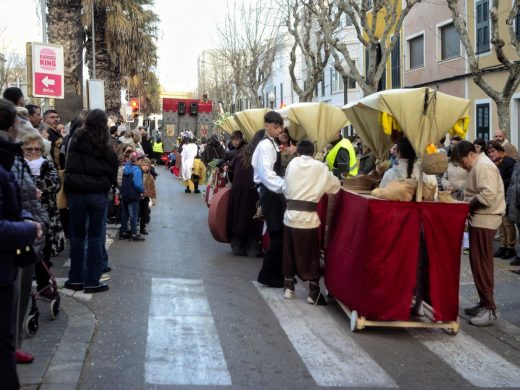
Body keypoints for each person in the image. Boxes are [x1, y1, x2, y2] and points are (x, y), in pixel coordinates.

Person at [0, 98, 41, 390]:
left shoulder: (10, 160)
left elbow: (19, 200)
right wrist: (26, 228)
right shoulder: (7, 161)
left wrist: (28, 218)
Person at [63, 109, 118, 293]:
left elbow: (68, 165)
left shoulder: (75, 141)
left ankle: (75, 279)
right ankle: (92, 280)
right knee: (95, 238)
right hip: (96, 194)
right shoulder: (105, 146)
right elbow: (112, 170)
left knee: (77, 237)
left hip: (77, 193)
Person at [452, 140, 505, 326]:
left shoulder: (483, 166)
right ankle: (484, 303)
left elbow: (487, 195)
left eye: (461, 162)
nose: (462, 166)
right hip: (481, 218)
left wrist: (467, 206)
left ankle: (489, 308)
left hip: (486, 219)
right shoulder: (479, 165)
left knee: (481, 263)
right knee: (478, 262)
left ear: (470, 155)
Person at [282, 140, 341, 305]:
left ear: (298, 152)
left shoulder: (292, 164)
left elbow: (285, 188)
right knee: (310, 255)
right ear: (313, 153)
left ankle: (288, 288)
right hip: (308, 219)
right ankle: (313, 293)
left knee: (289, 252)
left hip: (290, 216)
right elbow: (335, 187)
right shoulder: (320, 167)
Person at [21, 133, 64, 295]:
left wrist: (34, 186)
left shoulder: (47, 163)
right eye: (29, 149)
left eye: (37, 149)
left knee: (43, 252)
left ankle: (43, 286)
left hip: (47, 214)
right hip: (24, 214)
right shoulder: (19, 164)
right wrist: (34, 188)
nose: (33, 152)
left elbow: (55, 183)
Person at [252, 112, 286, 287]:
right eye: (276, 126)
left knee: (279, 234)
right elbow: (266, 175)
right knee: (277, 235)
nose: (279, 129)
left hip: (273, 191)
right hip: (270, 192)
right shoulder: (266, 145)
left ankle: (276, 274)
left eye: (280, 126)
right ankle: (267, 275)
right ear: (266, 124)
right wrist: (285, 187)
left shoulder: (272, 144)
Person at [227, 130, 263, 257]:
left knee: (238, 217)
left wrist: (235, 183)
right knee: (254, 220)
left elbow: (230, 170)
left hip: (238, 191)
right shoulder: (263, 154)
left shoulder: (242, 152)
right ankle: (252, 249)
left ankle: (237, 247)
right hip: (254, 192)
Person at [486, 141, 517, 259]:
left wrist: (497, 183)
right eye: (489, 152)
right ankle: (503, 245)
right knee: (501, 223)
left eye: (493, 151)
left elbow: (511, 180)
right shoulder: (494, 164)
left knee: (508, 224)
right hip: (498, 197)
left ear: (500, 151)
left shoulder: (509, 162)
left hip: (507, 197)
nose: (491, 154)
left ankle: (510, 247)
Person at [120, 152, 146, 241]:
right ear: (135, 161)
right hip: (134, 195)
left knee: (125, 214)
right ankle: (133, 234)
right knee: (134, 215)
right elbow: (138, 185)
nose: (142, 162)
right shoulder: (137, 170)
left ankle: (123, 232)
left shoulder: (126, 168)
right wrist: (143, 190)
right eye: (141, 160)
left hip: (125, 194)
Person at [139, 157, 156, 235]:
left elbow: (153, 188)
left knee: (144, 213)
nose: (145, 167)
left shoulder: (150, 177)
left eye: (147, 166)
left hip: (145, 197)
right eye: (144, 165)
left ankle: (142, 228)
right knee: (137, 213)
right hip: (137, 196)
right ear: (141, 166)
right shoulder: (137, 174)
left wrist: (153, 198)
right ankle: (134, 228)